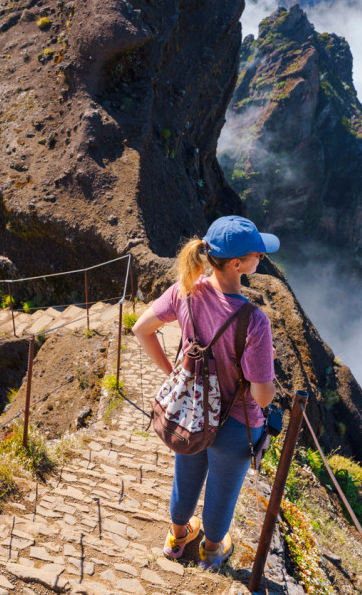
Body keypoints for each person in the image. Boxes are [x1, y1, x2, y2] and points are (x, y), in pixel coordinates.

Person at [132, 215, 278, 570]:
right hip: (235, 422)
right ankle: (212, 550)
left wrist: (175, 372)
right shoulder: (254, 321)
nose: (262, 254)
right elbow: (262, 397)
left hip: (192, 412)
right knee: (223, 491)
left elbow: (141, 329)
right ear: (237, 263)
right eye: (256, 252)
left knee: (187, 470)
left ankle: (178, 537)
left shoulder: (186, 289)